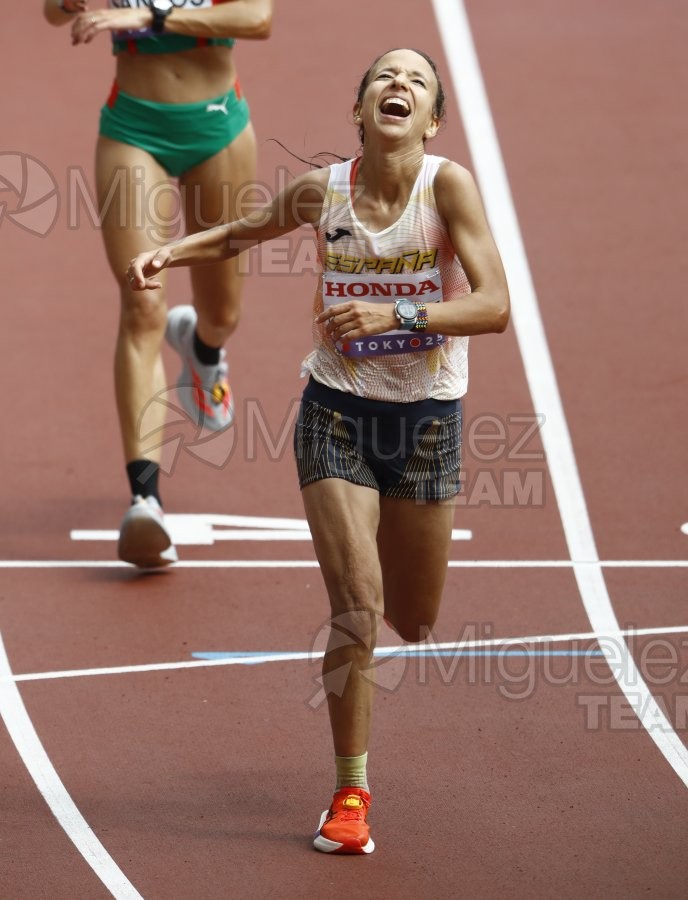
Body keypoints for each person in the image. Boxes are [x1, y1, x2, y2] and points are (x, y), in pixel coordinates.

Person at [127, 47, 510, 853]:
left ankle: (375, 670)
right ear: (360, 109)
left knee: (413, 619)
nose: (398, 86)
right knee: (358, 609)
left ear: (433, 121)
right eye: (384, 78)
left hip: (427, 423)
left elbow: (494, 306)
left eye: (416, 82)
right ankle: (349, 792)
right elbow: (241, 232)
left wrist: (397, 317)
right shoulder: (323, 191)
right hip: (335, 413)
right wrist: (168, 254)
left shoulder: (447, 188)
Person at [44, 0, 273, 568]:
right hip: (133, 127)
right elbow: (54, 13)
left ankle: (203, 349)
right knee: (142, 305)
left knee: (222, 313)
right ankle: (145, 501)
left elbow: (256, 19)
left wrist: (152, 17)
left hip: (217, 127)